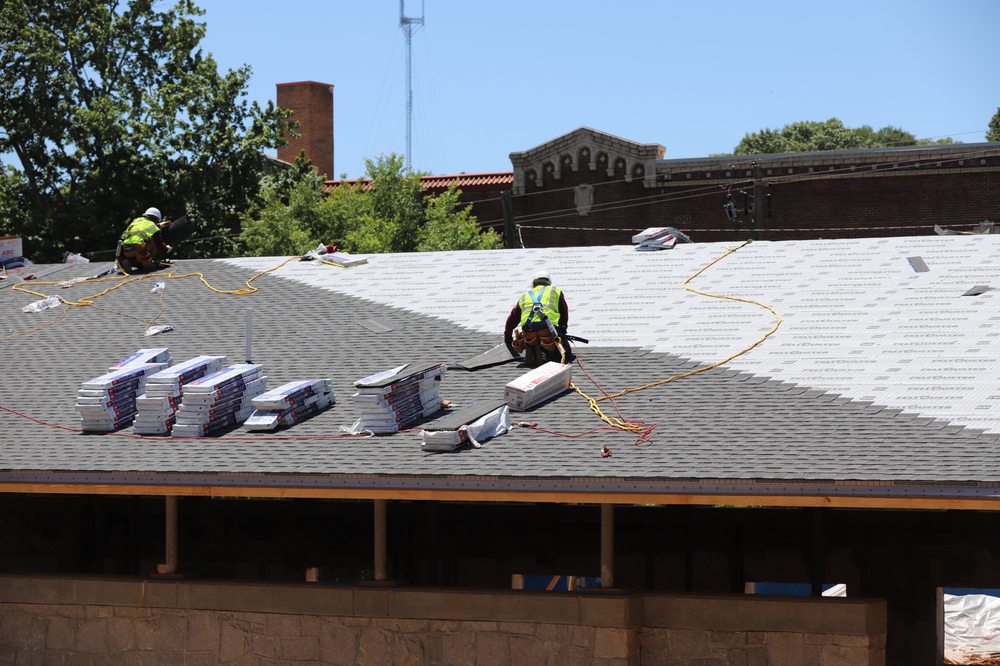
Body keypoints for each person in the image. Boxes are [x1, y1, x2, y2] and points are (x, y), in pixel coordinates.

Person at [503, 270, 572, 367]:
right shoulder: (555, 291)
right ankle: (546, 352)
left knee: (533, 339)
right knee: (566, 354)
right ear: (549, 282)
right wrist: (563, 328)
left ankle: (536, 351)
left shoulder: (524, 295)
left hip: (529, 331)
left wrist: (508, 337)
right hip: (549, 330)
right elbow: (564, 312)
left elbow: (512, 319)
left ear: (534, 283)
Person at [117, 207, 171, 272]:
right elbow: (159, 243)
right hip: (138, 249)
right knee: (152, 242)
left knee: (138, 256)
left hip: (126, 250)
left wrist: (161, 224)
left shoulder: (137, 220)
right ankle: (147, 263)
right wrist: (166, 249)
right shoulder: (153, 226)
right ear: (156, 219)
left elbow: (144, 227)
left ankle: (129, 262)